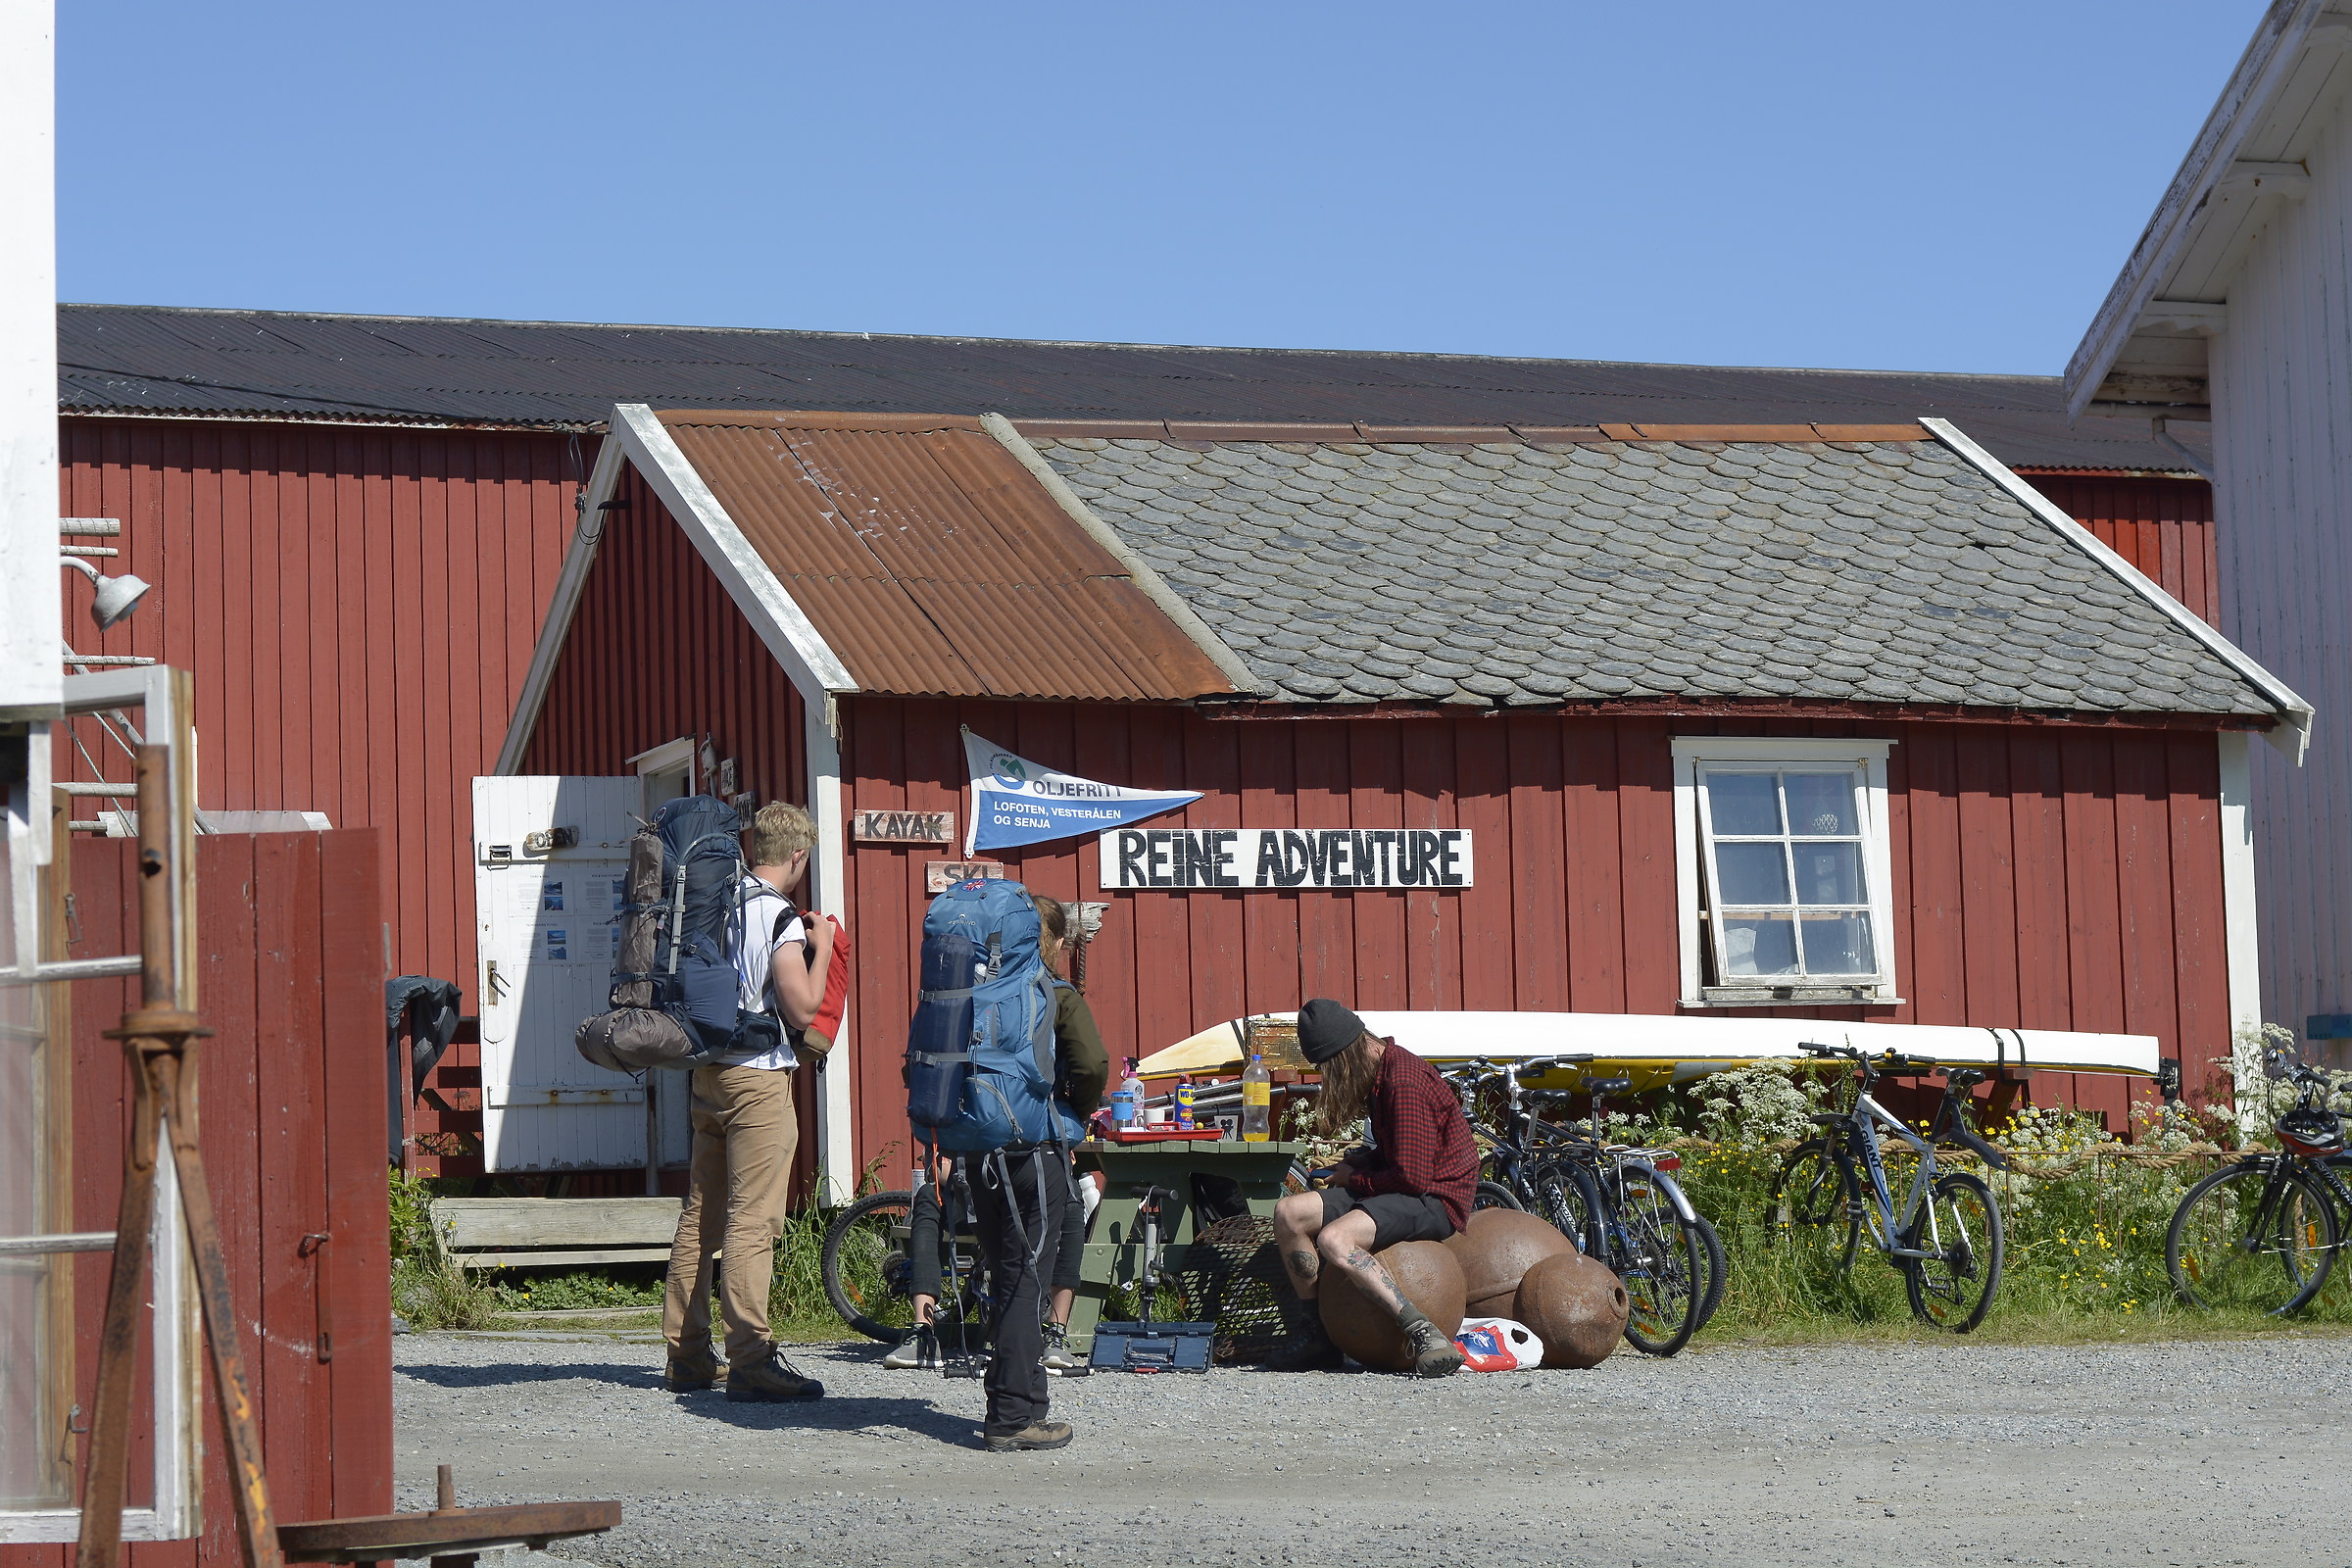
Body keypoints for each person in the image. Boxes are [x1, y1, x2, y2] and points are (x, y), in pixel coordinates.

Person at [662, 801, 843, 1401]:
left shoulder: (716, 906)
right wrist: (819, 946)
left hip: (707, 1073)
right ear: (795, 856)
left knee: (700, 1217)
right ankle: (751, 1355)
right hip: (758, 1080)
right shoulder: (776, 916)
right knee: (752, 1219)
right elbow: (800, 1006)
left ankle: (686, 1355)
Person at [1266, 999, 1475, 1377]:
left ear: (1346, 1056)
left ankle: (1424, 1333)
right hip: (1405, 1187)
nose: (1331, 1079)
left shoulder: (1403, 1081)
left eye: (1330, 1069)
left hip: (1434, 1199)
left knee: (1334, 1240)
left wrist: (1352, 1179)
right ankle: (1316, 1336)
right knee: (1289, 1213)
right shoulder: (1381, 1074)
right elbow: (1397, 1155)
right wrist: (1355, 1165)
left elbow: (1413, 1178)